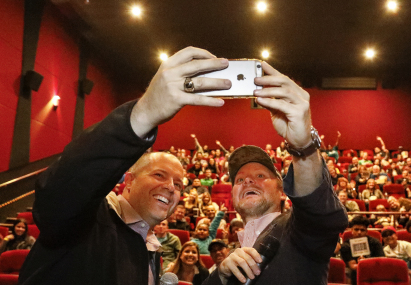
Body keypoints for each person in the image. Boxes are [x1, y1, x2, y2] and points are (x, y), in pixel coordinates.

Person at [18, 47, 233, 285]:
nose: (171, 187)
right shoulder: (87, 221)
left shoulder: (149, 245)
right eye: (159, 174)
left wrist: (221, 278)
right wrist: (143, 114)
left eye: (179, 185)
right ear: (128, 181)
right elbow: (59, 193)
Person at [202, 61, 348, 285]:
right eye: (239, 179)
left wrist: (303, 147)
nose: (248, 179)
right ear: (232, 197)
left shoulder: (298, 231)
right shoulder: (232, 254)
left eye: (261, 176)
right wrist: (221, 275)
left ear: (283, 192)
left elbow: (320, 214)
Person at [340, 216, 385, 285]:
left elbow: (381, 261)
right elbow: (353, 266)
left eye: (362, 230)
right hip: (355, 273)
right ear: (352, 230)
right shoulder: (346, 245)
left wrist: (366, 262)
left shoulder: (375, 242)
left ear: (366, 231)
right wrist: (362, 264)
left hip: (374, 271)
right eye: (356, 229)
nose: (359, 232)